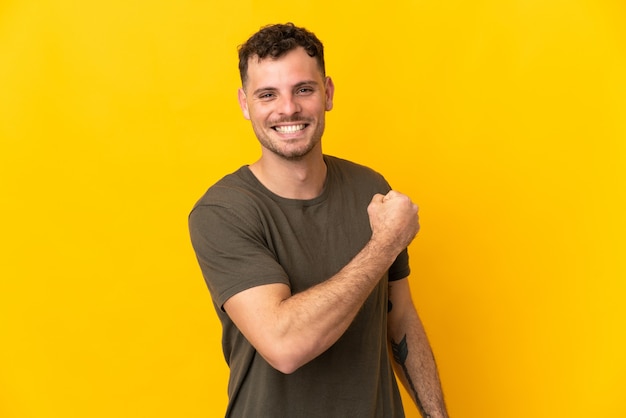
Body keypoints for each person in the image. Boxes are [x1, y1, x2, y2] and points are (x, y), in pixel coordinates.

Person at [188, 22, 449, 418]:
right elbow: (284, 345)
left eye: (303, 90)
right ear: (245, 104)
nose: (288, 108)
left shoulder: (370, 190)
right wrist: (385, 244)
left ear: (327, 93)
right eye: (267, 94)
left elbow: (401, 320)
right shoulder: (223, 212)